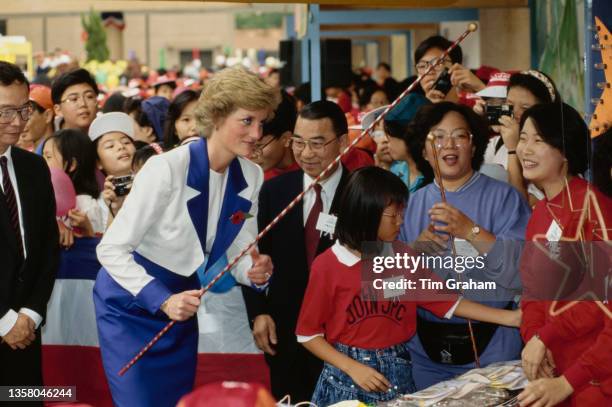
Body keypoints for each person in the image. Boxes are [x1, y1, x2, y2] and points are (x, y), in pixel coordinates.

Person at [93, 67, 279, 407]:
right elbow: (111, 250)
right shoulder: (166, 169)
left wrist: (253, 270)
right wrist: (162, 300)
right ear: (218, 116)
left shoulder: (251, 175)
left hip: (181, 306)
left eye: (262, 123)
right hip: (130, 305)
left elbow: (239, 249)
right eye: (247, 121)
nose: (257, 133)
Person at [297, 166, 522, 405]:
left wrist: (510, 318)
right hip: (345, 378)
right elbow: (307, 334)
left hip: (399, 372)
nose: (400, 222)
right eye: (392, 216)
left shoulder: (403, 256)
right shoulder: (328, 266)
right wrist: (353, 368)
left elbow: (445, 301)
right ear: (366, 213)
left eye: (402, 213)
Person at [399, 102, 531, 389]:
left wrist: (470, 231)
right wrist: (416, 251)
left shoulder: (505, 198)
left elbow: (524, 274)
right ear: (423, 150)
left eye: (460, 135)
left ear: (474, 146)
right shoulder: (408, 205)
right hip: (424, 353)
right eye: (438, 136)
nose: (450, 144)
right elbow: (385, 286)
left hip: (495, 347)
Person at [241, 100, 351, 402]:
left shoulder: (361, 192)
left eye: (317, 144)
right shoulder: (273, 191)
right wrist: (258, 313)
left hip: (344, 344)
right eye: (298, 143)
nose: (305, 153)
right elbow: (250, 254)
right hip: (285, 337)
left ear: (343, 142)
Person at [517, 103, 612, 406]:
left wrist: (545, 337)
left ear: (565, 150)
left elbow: (602, 302)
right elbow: (532, 291)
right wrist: (533, 337)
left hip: (592, 380)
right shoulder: (540, 211)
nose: (525, 149)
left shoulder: (592, 206)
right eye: (522, 138)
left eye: (538, 140)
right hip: (552, 376)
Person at [0, 61, 59, 397]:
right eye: (5, 112)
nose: (17, 122)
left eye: (23, 110)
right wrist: (4, 321)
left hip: (26, 334)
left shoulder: (34, 166)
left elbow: (47, 248)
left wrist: (31, 314)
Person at [479, 70, 560, 205]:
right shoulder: (497, 142)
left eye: (525, 107)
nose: (515, 113)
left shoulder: (549, 152)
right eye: (510, 104)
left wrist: (513, 149)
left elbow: (522, 207)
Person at [42, 129, 103, 241]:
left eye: (48, 157)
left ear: (71, 165)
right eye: (42, 157)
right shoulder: (43, 198)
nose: (42, 162)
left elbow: (96, 249)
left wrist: (87, 230)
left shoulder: (87, 206)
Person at [89, 112, 138, 230]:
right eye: (110, 146)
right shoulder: (101, 204)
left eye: (126, 142)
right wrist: (114, 209)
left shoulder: (153, 180)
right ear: (98, 163)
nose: (121, 147)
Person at [414, 35, 485, 105]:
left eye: (438, 63)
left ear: (457, 67)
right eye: (422, 66)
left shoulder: (476, 104)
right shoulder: (413, 109)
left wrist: (481, 88)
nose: (428, 71)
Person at [250, 90, 299, 180]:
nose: (251, 155)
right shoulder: (252, 178)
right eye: (249, 144)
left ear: (286, 138)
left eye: (259, 146)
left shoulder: (310, 175)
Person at [51, 68, 99, 133]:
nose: (83, 104)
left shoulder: (108, 136)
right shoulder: (51, 141)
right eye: (74, 99)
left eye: (89, 97)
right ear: (58, 110)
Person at [20, 85, 54, 154]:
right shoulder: (29, 154)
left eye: (27, 114)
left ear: (48, 115)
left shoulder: (57, 153)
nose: (20, 122)